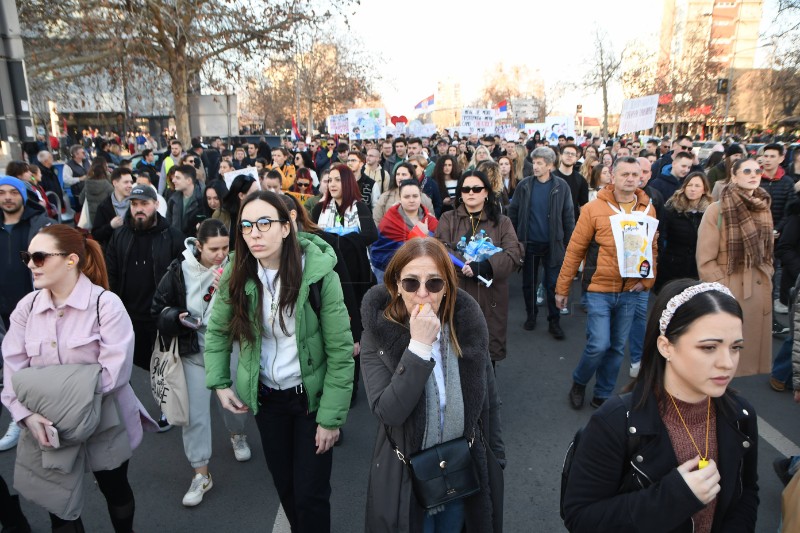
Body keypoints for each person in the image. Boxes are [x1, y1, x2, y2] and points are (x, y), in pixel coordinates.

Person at [204, 191, 353, 532]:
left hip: (310, 400)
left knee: (311, 494)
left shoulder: (317, 274)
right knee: (285, 486)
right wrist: (220, 382)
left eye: (264, 223)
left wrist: (331, 419)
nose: (254, 233)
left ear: (286, 228)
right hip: (267, 399)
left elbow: (341, 352)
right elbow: (216, 332)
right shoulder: (237, 273)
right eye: (245, 226)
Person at [562, 279, 758, 533]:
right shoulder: (615, 422)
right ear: (666, 347)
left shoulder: (741, 415)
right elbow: (581, 518)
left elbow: (746, 492)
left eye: (735, 347)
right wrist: (674, 496)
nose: (728, 363)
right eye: (709, 347)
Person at [2, 224, 157, 532]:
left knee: (115, 489)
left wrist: (48, 396)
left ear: (71, 260)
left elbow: (114, 373)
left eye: (40, 256)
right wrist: (27, 416)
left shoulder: (105, 305)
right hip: (45, 428)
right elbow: (12, 373)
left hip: (103, 422)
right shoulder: (26, 309)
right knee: (59, 508)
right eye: (28, 256)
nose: (31, 264)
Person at [359, 238, 505, 532]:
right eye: (411, 283)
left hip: (460, 467)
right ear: (396, 286)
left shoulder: (468, 328)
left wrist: (497, 460)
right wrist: (418, 348)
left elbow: (488, 402)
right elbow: (389, 412)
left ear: (448, 287)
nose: (422, 293)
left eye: (434, 283)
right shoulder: (377, 336)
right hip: (408, 477)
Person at [151, 219, 251, 507]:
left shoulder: (239, 267)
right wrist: (178, 317)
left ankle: (238, 433)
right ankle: (201, 473)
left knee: (236, 401)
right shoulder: (178, 269)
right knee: (194, 415)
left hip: (229, 348)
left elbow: (254, 308)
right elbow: (158, 308)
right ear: (198, 246)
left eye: (225, 248)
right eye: (214, 249)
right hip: (193, 351)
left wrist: (233, 289)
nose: (221, 255)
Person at [556, 157, 657, 409]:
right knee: (598, 345)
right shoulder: (593, 209)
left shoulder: (647, 209)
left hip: (630, 291)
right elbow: (575, 250)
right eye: (625, 174)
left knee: (616, 348)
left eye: (635, 174)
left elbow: (652, 248)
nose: (631, 179)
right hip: (599, 289)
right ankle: (579, 381)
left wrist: (647, 281)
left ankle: (602, 393)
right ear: (612, 176)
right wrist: (562, 288)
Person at [105, 184, 184, 428]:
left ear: (155, 205)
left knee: (160, 366)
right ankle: (128, 409)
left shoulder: (171, 235)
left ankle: (165, 408)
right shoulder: (120, 235)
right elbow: (111, 272)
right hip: (126, 314)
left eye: (144, 204)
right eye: (134, 204)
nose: (139, 209)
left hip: (159, 315)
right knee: (125, 365)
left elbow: (182, 276)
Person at [435, 170, 523, 365]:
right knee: (457, 357)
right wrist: (463, 265)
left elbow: (513, 254)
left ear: (486, 193)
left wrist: (484, 266)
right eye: (466, 189)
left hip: (490, 297)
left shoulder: (502, 222)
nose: (471, 193)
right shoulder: (448, 219)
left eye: (476, 188)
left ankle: (487, 396)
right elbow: (440, 248)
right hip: (457, 293)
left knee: (487, 359)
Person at [697, 157, 774, 376]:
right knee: (720, 362)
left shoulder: (764, 206)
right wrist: (723, 287)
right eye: (747, 171)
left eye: (757, 171)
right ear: (734, 176)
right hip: (730, 290)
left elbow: (768, 251)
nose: (753, 175)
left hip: (758, 288)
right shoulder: (717, 209)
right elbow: (705, 259)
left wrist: (768, 270)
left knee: (741, 363)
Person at [311, 164, 379, 402]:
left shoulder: (359, 207)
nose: (332, 184)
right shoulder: (319, 208)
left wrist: (343, 240)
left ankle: (352, 384)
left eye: (337, 180)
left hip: (356, 278)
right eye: (329, 180)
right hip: (327, 277)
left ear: (348, 182)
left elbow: (371, 235)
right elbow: (310, 237)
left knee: (354, 332)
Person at [509, 147, 576, 338]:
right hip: (529, 244)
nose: (535, 166)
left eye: (539, 163)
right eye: (534, 162)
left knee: (553, 284)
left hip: (553, 244)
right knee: (528, 283)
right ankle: (531, 315)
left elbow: (568, 216)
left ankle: (554, 321)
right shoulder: (525, 185)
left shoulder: (561, 186)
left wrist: (567, 244)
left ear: (550, 165)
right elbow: (513, 212)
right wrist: (514, 239)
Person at [371, 179, 439, 282]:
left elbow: (440, 247)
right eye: (407, 197)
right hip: (392, 275)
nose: (411, 200)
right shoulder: (389, 221)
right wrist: (420, 236)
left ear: (420, 197)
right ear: (400, 198)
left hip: (424, 275)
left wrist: (427, 235)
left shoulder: (430, 221)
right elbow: (381, 251)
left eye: (415, 196)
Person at [655, 172, 711, 292]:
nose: (692, 189)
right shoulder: (672, 209)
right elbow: (662, 236)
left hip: (697, 268)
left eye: (697, 186)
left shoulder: (709, 213)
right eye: (689, 185)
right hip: (672, 266)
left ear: (704, 190)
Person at [92, 167, 134, 248]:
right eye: (126, 182)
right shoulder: (104, 206)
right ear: (115, 183)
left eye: (131, 182)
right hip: (113, 254)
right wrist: (111, 226)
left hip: (134, 251)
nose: (130, 185)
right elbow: (96, 234)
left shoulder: (135, 203)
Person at [219, 175, 258, 249]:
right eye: (254, 193)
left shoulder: (260, 211)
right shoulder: (223, 215)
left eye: (259, 191)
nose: (258, 196)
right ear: (241, 195)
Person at [166, 164, 204, 239]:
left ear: (189, 180)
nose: (173, 180)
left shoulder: (202, 199)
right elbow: (168, 223)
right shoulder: (173, 199)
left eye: (177, 178)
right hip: (175, 245)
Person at [554, 144, 589, 223]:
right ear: (561, 156)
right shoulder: (551, 177)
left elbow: (583, 206)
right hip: (552, 222)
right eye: (567, 153)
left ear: (576, 158)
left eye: (573, 154)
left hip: (572, 222)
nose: (569, 156)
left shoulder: (581, 180)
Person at [79, 158, 114, 228]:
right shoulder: (107, 185)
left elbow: (81, 200)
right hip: (106, 216)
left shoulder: (87, 184)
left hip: (92, 216)